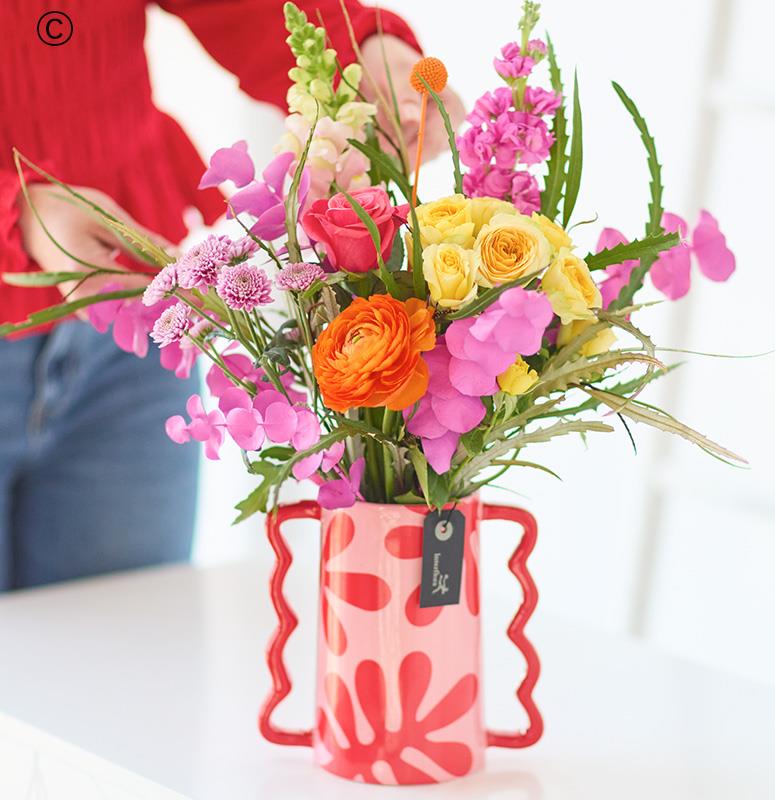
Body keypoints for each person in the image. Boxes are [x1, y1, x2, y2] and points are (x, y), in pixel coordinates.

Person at [0, 0, 464, 591]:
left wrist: (358, 53)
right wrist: (18, 214)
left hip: (135, 317)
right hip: (122, 288)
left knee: (126, 645)